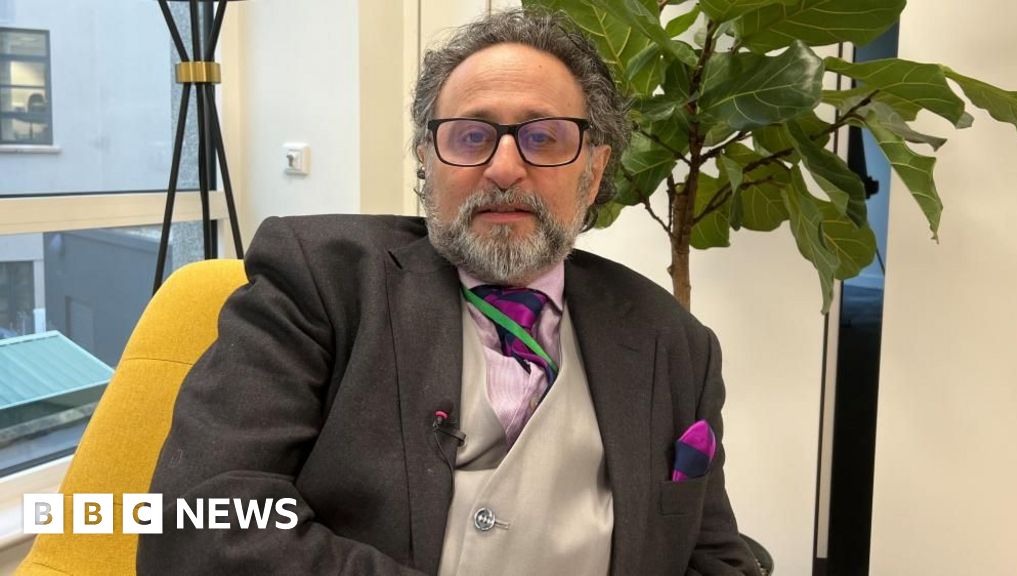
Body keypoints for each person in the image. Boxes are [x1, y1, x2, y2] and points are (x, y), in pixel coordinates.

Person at [138, 8, 759, 576]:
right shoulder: (321, 282)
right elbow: (199, 521)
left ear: (593, 172)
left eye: (544, 138)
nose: (505, 168)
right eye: (470, 137)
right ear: (426, 161)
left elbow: (712, 554)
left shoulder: (674, 342)